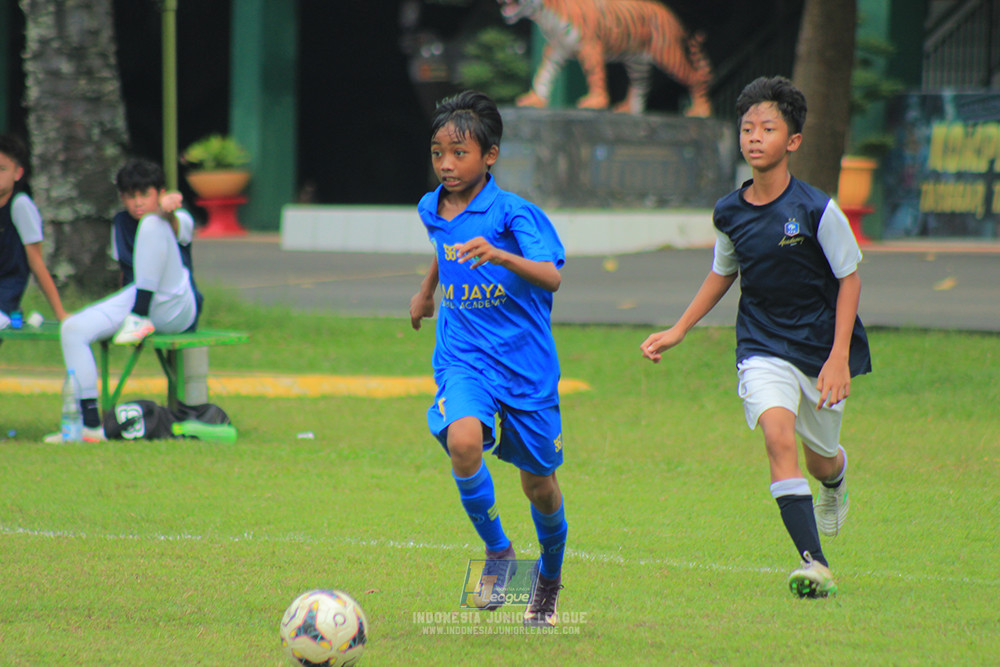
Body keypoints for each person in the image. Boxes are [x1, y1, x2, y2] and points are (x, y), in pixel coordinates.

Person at [640, 76, 871, 598]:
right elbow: (723, 272)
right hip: (762, 346)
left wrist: (838, 357)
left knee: (820, 458)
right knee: (777, 436)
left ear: (792, 141)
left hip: (819, 350)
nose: (755, 137)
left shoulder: (816, 209)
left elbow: (849, 279)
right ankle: (815, 563)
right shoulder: (729, 211)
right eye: (748, 128)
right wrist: (678, 329)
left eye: (768, 128)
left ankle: (835, 480)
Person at [409, 90, 568, 627]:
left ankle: (547, 581)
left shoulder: (514, 213)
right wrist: (426, 291)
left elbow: (551, 276)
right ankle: (499, 551)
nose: (446, 165)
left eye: (459, 153)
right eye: (438, 153)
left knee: (538, 485)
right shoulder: (432, 206)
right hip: (464, 356)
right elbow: (445, 246)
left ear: (490, 156)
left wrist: (499, 253)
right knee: (463, 440)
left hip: (524, 365)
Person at [45, 159, 201, 443]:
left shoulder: (175, 217)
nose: (137, 202)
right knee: (72, 329)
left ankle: (139, 317)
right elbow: (127, 273)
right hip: (139, 295)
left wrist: (167, 208)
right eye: (130, 196)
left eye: (145, 195)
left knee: (152, 222)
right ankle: (90, 428)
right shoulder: (121, 223)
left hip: (177, 305)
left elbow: (176, 223)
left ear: (160, 193)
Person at [0, 133, 67, 327]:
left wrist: (60, 313)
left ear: (17, 173)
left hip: (5, 298)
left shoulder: (20, 205)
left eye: (2, 169)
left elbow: (37, 262)